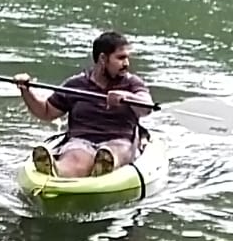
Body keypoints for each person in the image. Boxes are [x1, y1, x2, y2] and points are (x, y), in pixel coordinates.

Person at [13, 31, 152, 177]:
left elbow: (147, 106)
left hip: (120, 140)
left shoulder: (132, 83)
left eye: (127, 58)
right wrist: (26, 90)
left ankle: (107, 164)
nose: (126, 64)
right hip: (81, 140)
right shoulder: (76, 84)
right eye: (120, 58)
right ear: (103, 58)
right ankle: (56, 171)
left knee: (114, 151)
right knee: (76, 157)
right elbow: (46, 112)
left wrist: (126, 96)